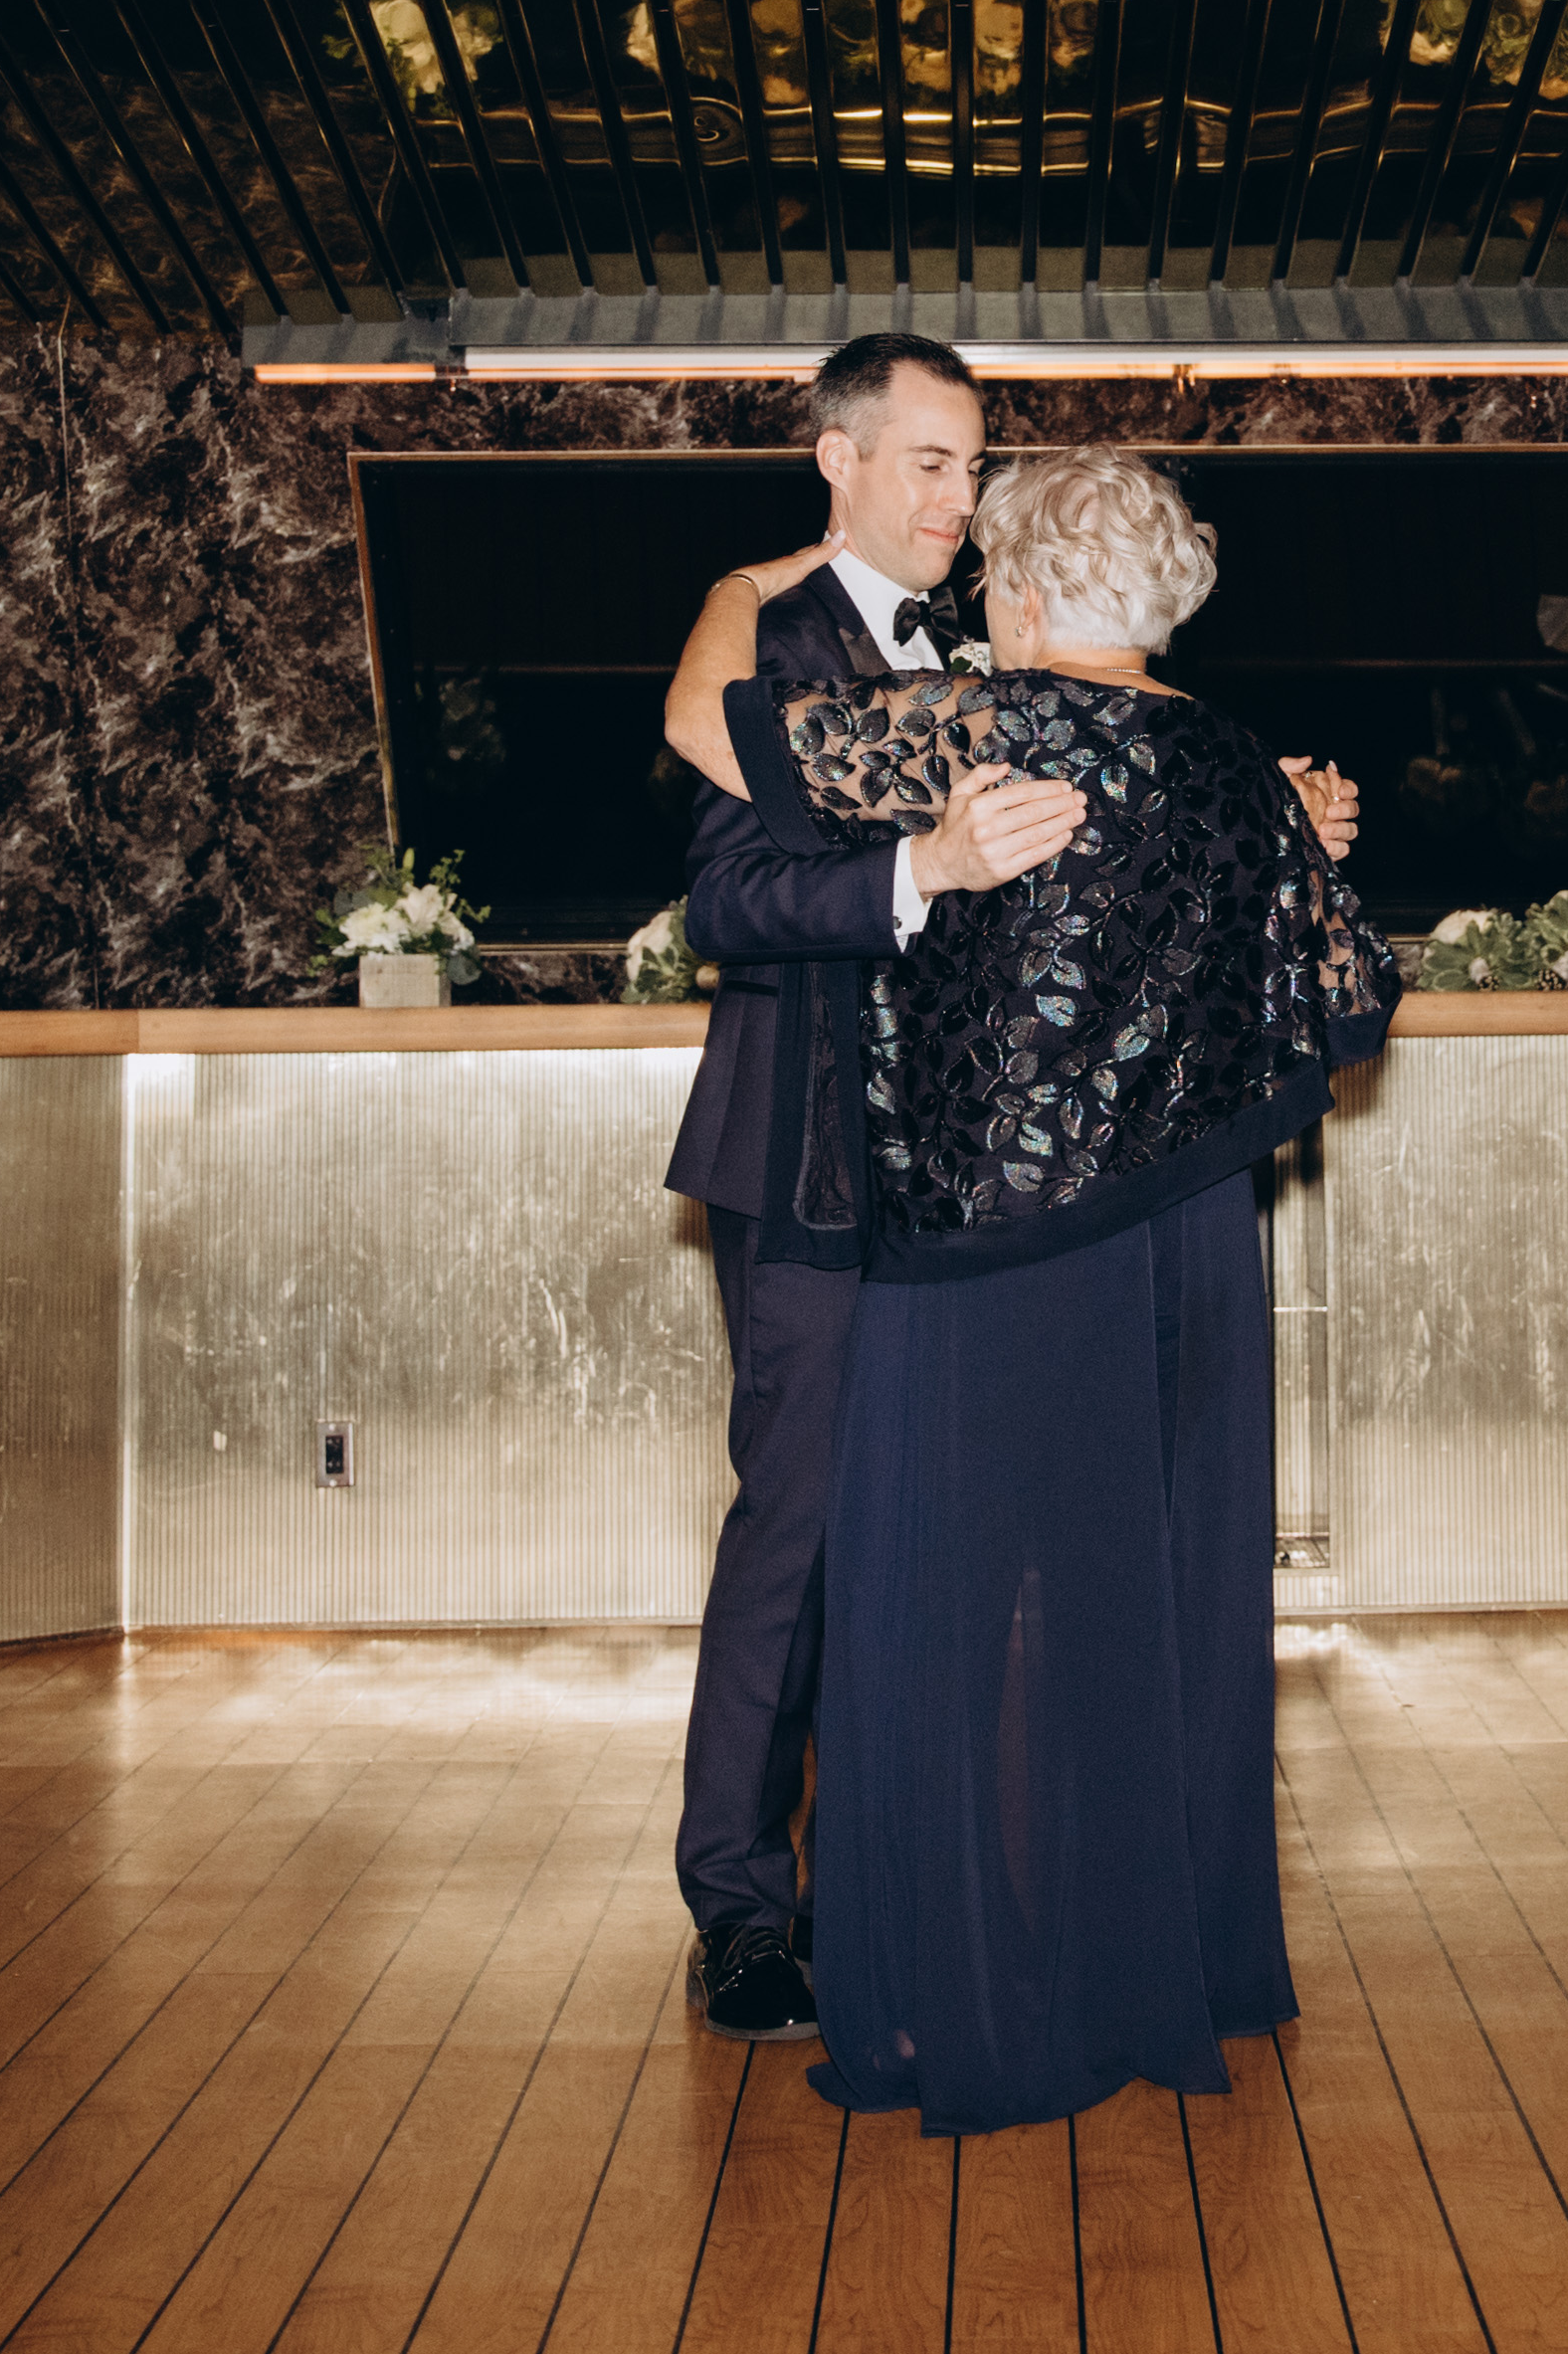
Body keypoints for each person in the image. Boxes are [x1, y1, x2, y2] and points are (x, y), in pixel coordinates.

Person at [680, 449, 1399, 2134]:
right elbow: (1347, 995)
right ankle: (1158, 1966)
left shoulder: (969, 726)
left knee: (932, 1609)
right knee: (1142, 1603)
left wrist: (739, 585)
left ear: (1013, 588)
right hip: (1182, 1244)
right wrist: (1271, 842)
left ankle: (957, 1997)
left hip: (984, 1245)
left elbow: (713, 728)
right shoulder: (1235, 762)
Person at [646, 331, 1084, 2044]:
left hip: (955, 1181)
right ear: (835, 459)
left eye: (972, 467)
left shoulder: (979, 650)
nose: (958, 499)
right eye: (928, 461)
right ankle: (741, 1911)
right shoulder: (771, 643)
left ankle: (885, 1883)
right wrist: (921, 867)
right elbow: (725, 906)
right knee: (798, 1537)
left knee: (932, 1538)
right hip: (806, 1157)